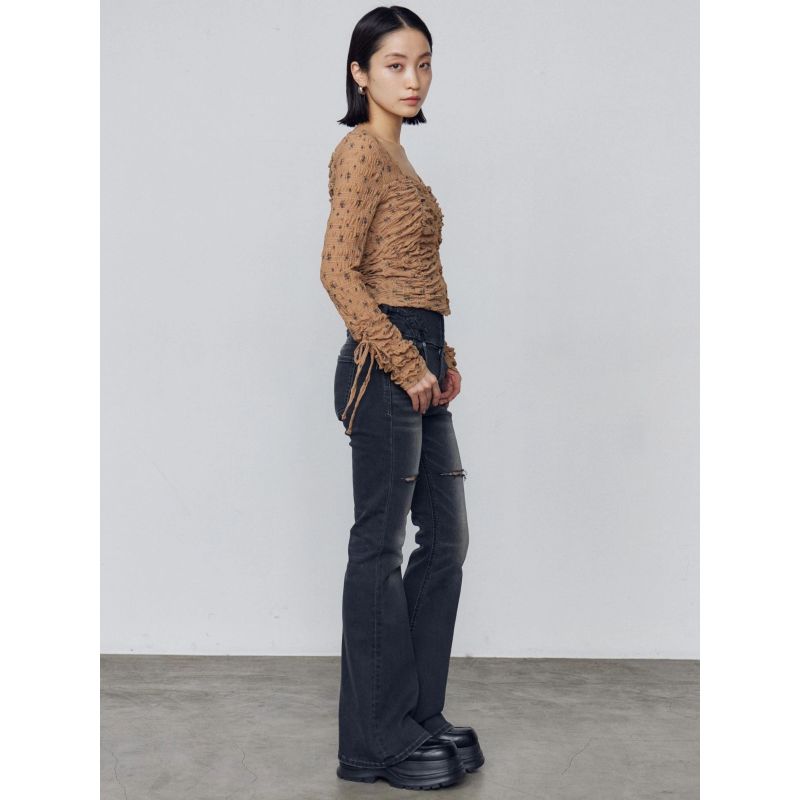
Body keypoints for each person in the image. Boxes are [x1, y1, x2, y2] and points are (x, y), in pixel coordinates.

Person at [319, 6, 484, 791]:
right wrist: (402, 359)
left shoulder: (401, 159)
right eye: (394, 64)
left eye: (423, 63)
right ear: (359, 73)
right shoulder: (359, 150)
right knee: (378, 547)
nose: (413, 78)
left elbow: (411, 267)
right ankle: (372, 744)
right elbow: (338, 271)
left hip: (419, 357)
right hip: (383, 364)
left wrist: (439, 358)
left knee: (446, 540)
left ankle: (414, 713)